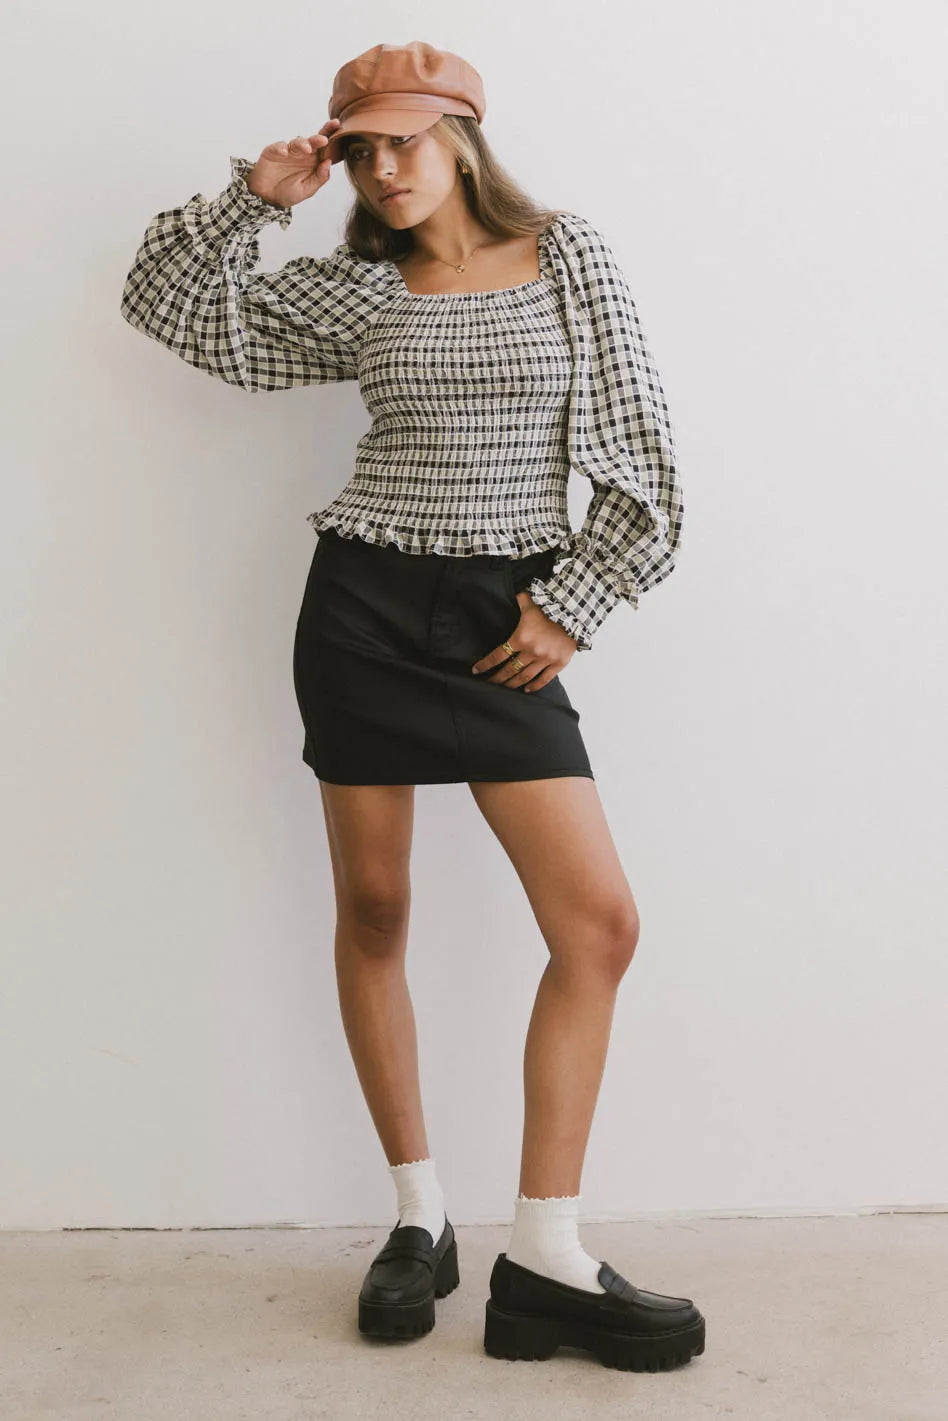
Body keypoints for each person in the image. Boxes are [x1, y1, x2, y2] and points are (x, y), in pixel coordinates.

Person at [120, 40, 703, 1373]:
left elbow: (646, 456)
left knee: (598, 926)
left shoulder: (567, 255)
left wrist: (574, 603)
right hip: (365, 613)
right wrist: (254, 198)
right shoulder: (355, 289)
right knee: (376, 909)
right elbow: (171, 308)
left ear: (463, 137)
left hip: (507, 619)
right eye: (361, 147)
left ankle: (545, 1250)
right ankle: (419, 1217)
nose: (385, 169)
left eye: (407, 139)